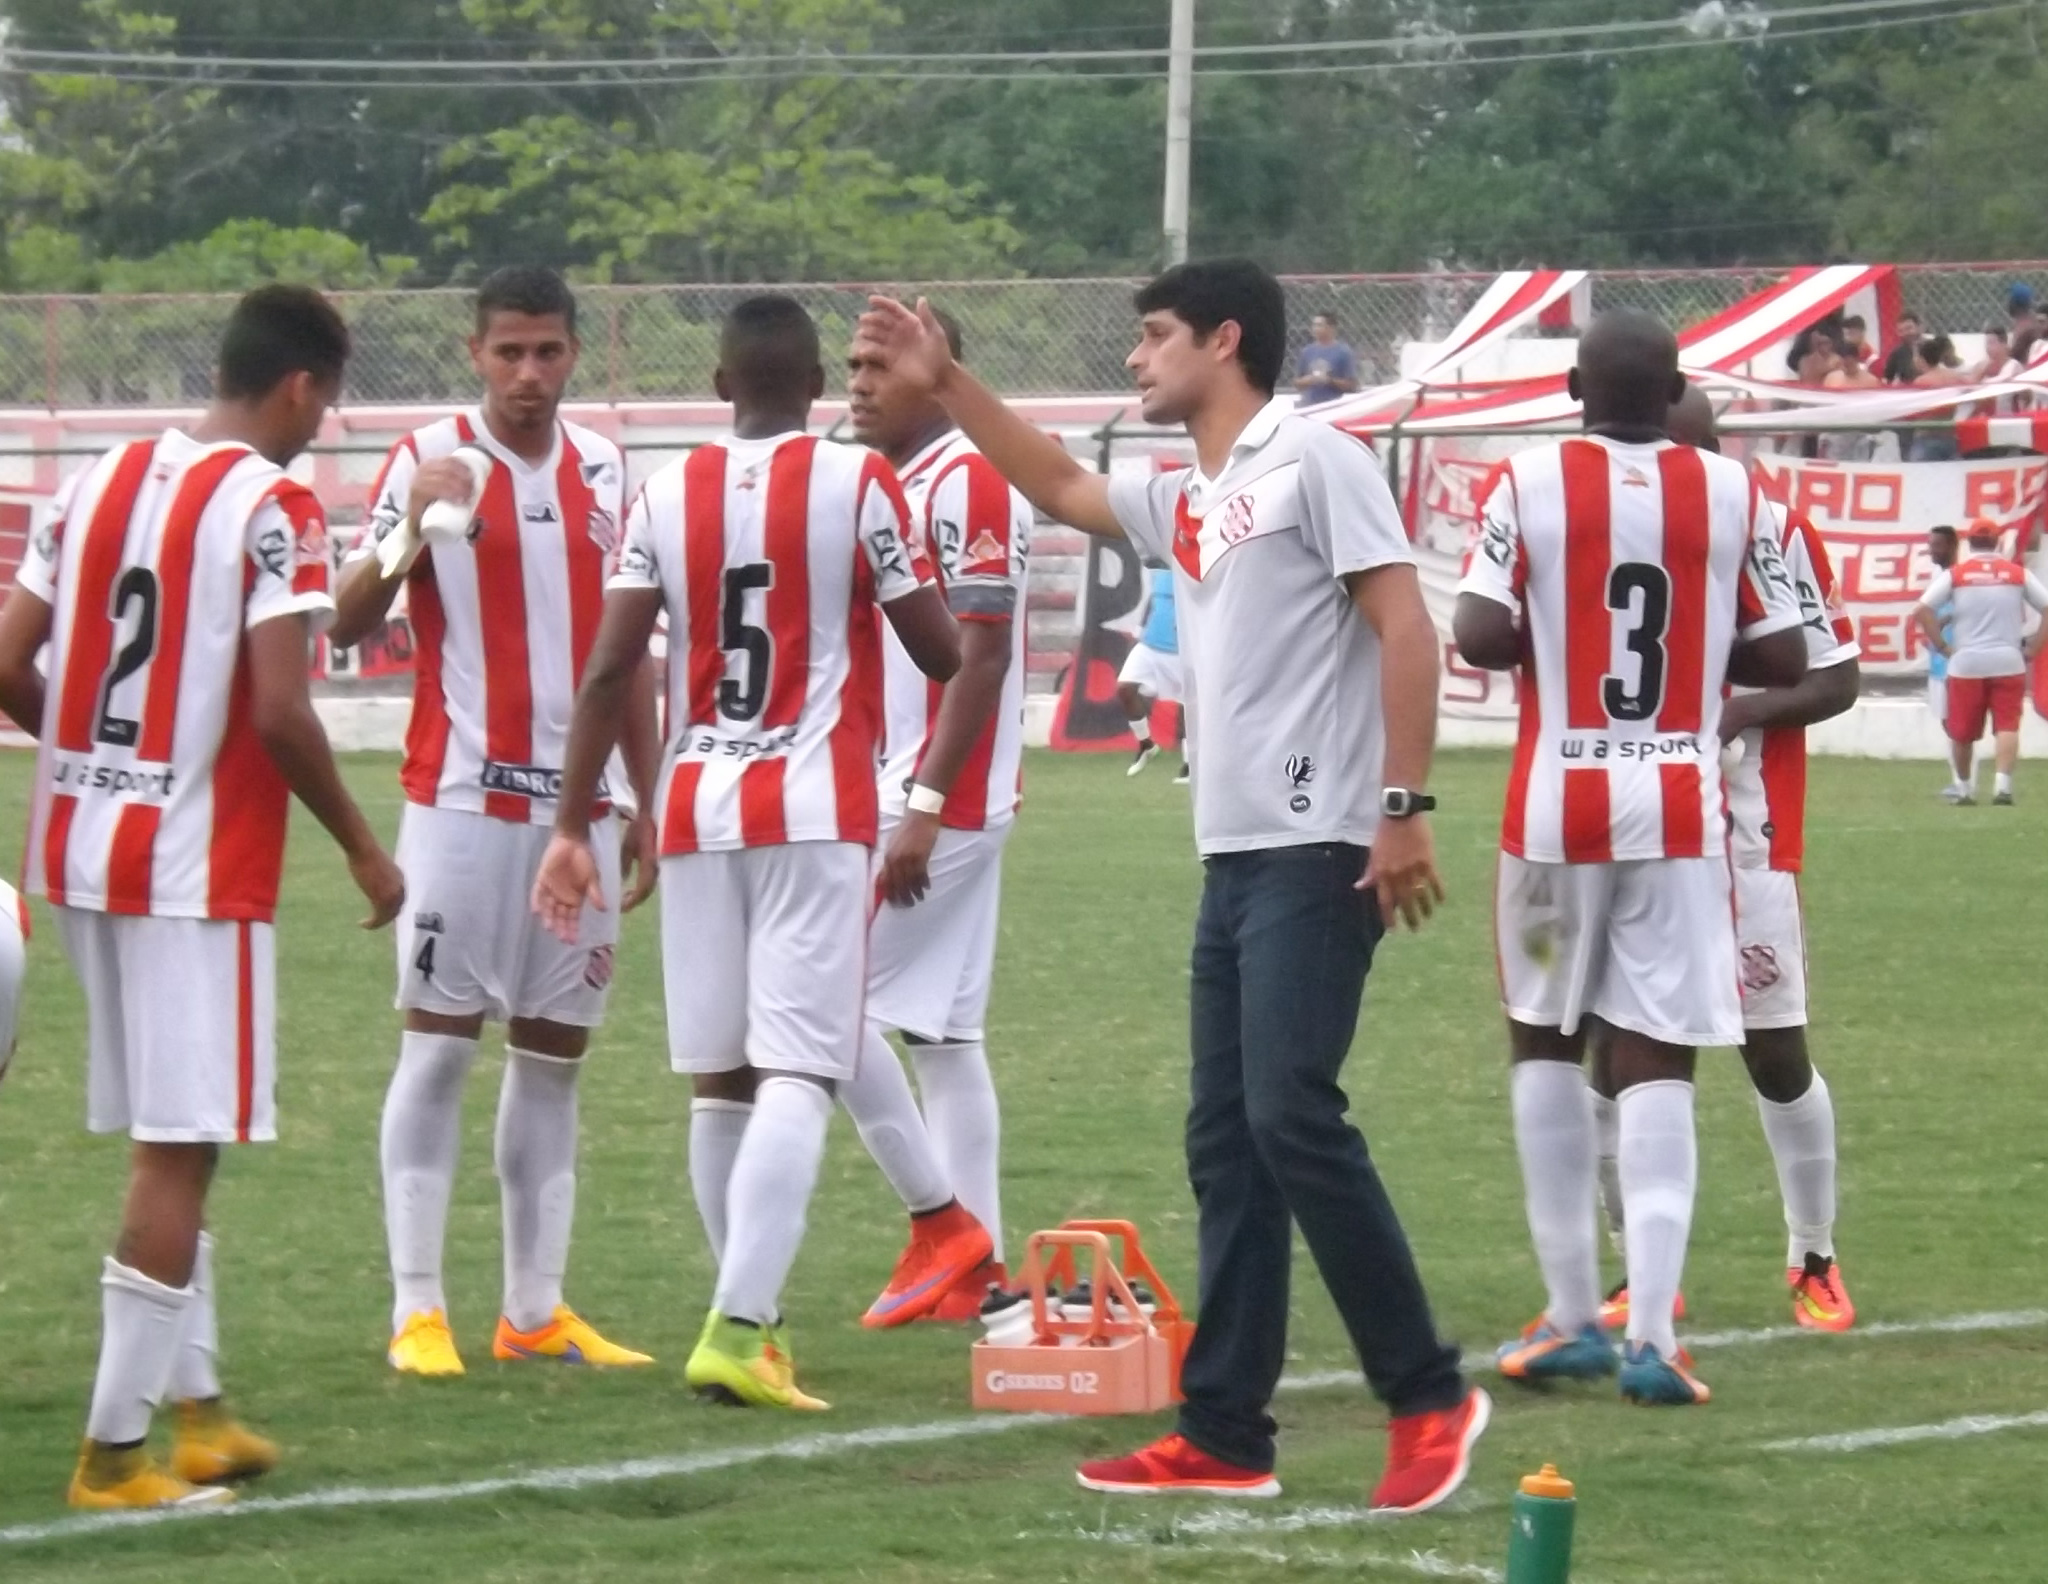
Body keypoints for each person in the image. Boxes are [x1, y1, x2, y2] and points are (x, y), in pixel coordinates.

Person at [856, 260, 1487, 1515]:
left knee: (1291, 1117)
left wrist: (1403, 809)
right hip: (1234, 853)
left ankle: (1426, 1393)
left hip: (1321, 844)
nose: (1135, 361)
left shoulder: (1313, 457)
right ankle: (1225, 1433)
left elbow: (1405, 626)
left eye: (1152, 338)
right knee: (1226, 1143)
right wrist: (950, 381)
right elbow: (1057, 480)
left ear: (1223, 339)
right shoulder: (1193, 490)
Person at [0, 285, 407, 1510]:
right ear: (303, 387)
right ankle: (115, 1457)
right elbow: (282, 709)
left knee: (171, 1139)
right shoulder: (272, 504)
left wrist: (85, 760)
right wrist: (359, 847)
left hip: (82, 854)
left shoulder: (100, 479)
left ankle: (201, 1413)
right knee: (178, 1153)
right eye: (327, 402)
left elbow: (6, 660)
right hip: (193, 871)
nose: (322, 425)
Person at [532, 294, 960, 1411]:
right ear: (819, 385)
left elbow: (607, 669)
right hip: (812, 807)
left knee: (718, 1081)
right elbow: (940, 649)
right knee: (802, 1072)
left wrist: (574, 822)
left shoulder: (663, 492)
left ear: (720, 387)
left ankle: (749, 1321)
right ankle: (736, 1324)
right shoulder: (861, 481)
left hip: (691, 807)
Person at [1455, 311, 1807, 1408]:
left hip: (1553, 804)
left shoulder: (1520, 480)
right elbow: (1787, 655)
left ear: (1569, 386)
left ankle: (1567, 1319)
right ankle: (1652, 1337)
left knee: (1543, 1043)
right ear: (1670, 400)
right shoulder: (1734, 491)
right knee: (1659, 1054)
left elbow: (1471, 631)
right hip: (1676, 803)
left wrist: (1550, 637)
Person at [329, 266, 660, 1378]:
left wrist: (648, 797)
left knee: (554, 1059)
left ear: (574, 356)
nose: (528, 373)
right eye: (509, 352)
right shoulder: (430, 456)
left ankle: (533, 1310)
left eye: (548, 352)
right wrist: (411, 525)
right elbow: (346, 616)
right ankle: (417, 1309)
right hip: (462, 805)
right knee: (436, 1052)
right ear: (475, 353)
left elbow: (633, 656)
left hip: (583, 814)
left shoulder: (610, 471)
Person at [1591, 387, 1861, 1335]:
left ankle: (1814, 1252)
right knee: (1611, 1051)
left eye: (1690, 453)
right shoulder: (1596, 517)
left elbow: (1839, 678)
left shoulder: (1773, 524)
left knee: (1773, 1049)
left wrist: (1737, 711)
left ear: (1718, 451)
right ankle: (1635, 1271)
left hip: (1743, 830)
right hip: (1618, 822)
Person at [839, 307, 1029, 1327]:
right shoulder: (884, 480)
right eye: (854, 365)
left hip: (931, 802)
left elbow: (984, 651)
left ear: (937, 370)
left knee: (825, 1009)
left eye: (882, 365)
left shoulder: (968, 477)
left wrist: (920, 803)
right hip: (920, 794)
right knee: (946, 1039)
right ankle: (979, 1270)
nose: (860, 383)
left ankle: (943, 1226)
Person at [1917, 519, 2048, 806]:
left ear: (1969, 542)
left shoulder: (1957, 575)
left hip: (1966, 663)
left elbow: (1923, 609)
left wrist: (1942, 646)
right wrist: (2035, 646)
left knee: (1961, 732)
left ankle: (1964, 789)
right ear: (1998, 542)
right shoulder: (2017, 574)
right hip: (2009, 660)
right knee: (2007, 727)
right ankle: (2003, 786)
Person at [1119, 561, 1187, 781]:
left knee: (1188, 706)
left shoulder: (1199, 561)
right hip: (1150, 643)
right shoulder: (1162, 561)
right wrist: (1139, 628)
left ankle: (1189, 764)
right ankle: (1146, 745)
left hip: (1183, 647)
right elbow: (1154, 598)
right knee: (1125, 688)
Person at [1924, 525, 1958, 740]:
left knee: (1959, 724)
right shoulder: (1937, 575)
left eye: (1937, 545)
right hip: (1938, 660)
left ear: (1952, 546)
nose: (1932, 550)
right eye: (1931, 545)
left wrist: (1945, 620)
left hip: (1956, 658)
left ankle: (1964, 774)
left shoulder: (1961, 576)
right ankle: (1959, 773)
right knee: (1947, 723)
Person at [1293, 314, 1359, 407]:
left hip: (1333, 406)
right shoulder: (1307, 351)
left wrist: (1329, 381)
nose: (1315, 329)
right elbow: (1297, 383)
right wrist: (1310, 380)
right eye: (1314, 325)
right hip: (1309, 406)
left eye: (1319, 325)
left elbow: (1352, 385)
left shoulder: (1343, 352)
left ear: (1331, 328)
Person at [1881, 313, 1923, 385]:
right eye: (1901, 331)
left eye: (1909, 328)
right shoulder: (1897, 354)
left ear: (1919, 327)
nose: (1906, 333)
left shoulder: (1934, 348)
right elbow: (1887, 380)